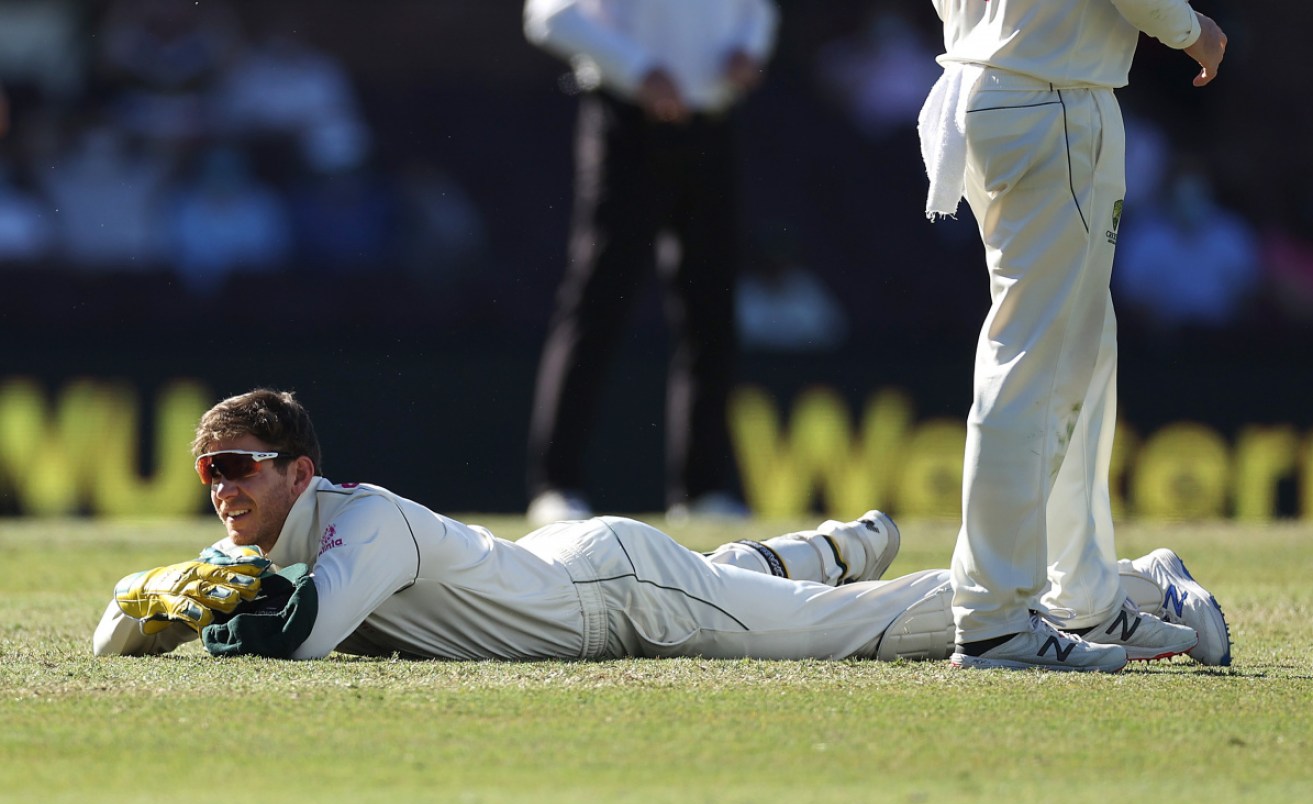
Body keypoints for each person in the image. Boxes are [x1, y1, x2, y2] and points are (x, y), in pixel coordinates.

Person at [93, 389, 1230, 668]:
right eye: (207, 472)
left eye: (237, 468)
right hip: (579, 576)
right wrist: (158, 604)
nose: (219, 488)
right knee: (763, 593)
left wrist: (215, 611)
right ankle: (811, 550)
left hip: (613, 594)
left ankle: (1129, 585)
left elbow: (304, 638)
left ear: (299, 469)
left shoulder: (364, 523)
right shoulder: (255, 547)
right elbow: (112, 636)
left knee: (846, 637)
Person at [915, 1, 1229, 670]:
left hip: (993, 87)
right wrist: (1191, 30)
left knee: (1081, 352)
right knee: (1033, 356)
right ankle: (993, 618)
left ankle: (1082, 594)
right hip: (1046, 97)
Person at [521, 0, 779, 526]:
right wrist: (639, 69)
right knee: (597, 307)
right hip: (627, 128)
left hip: (712, 128)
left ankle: (702, 492)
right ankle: (557, 485)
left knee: (711, 315)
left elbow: (758, 13)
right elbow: (548, 16)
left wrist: (747, 52)